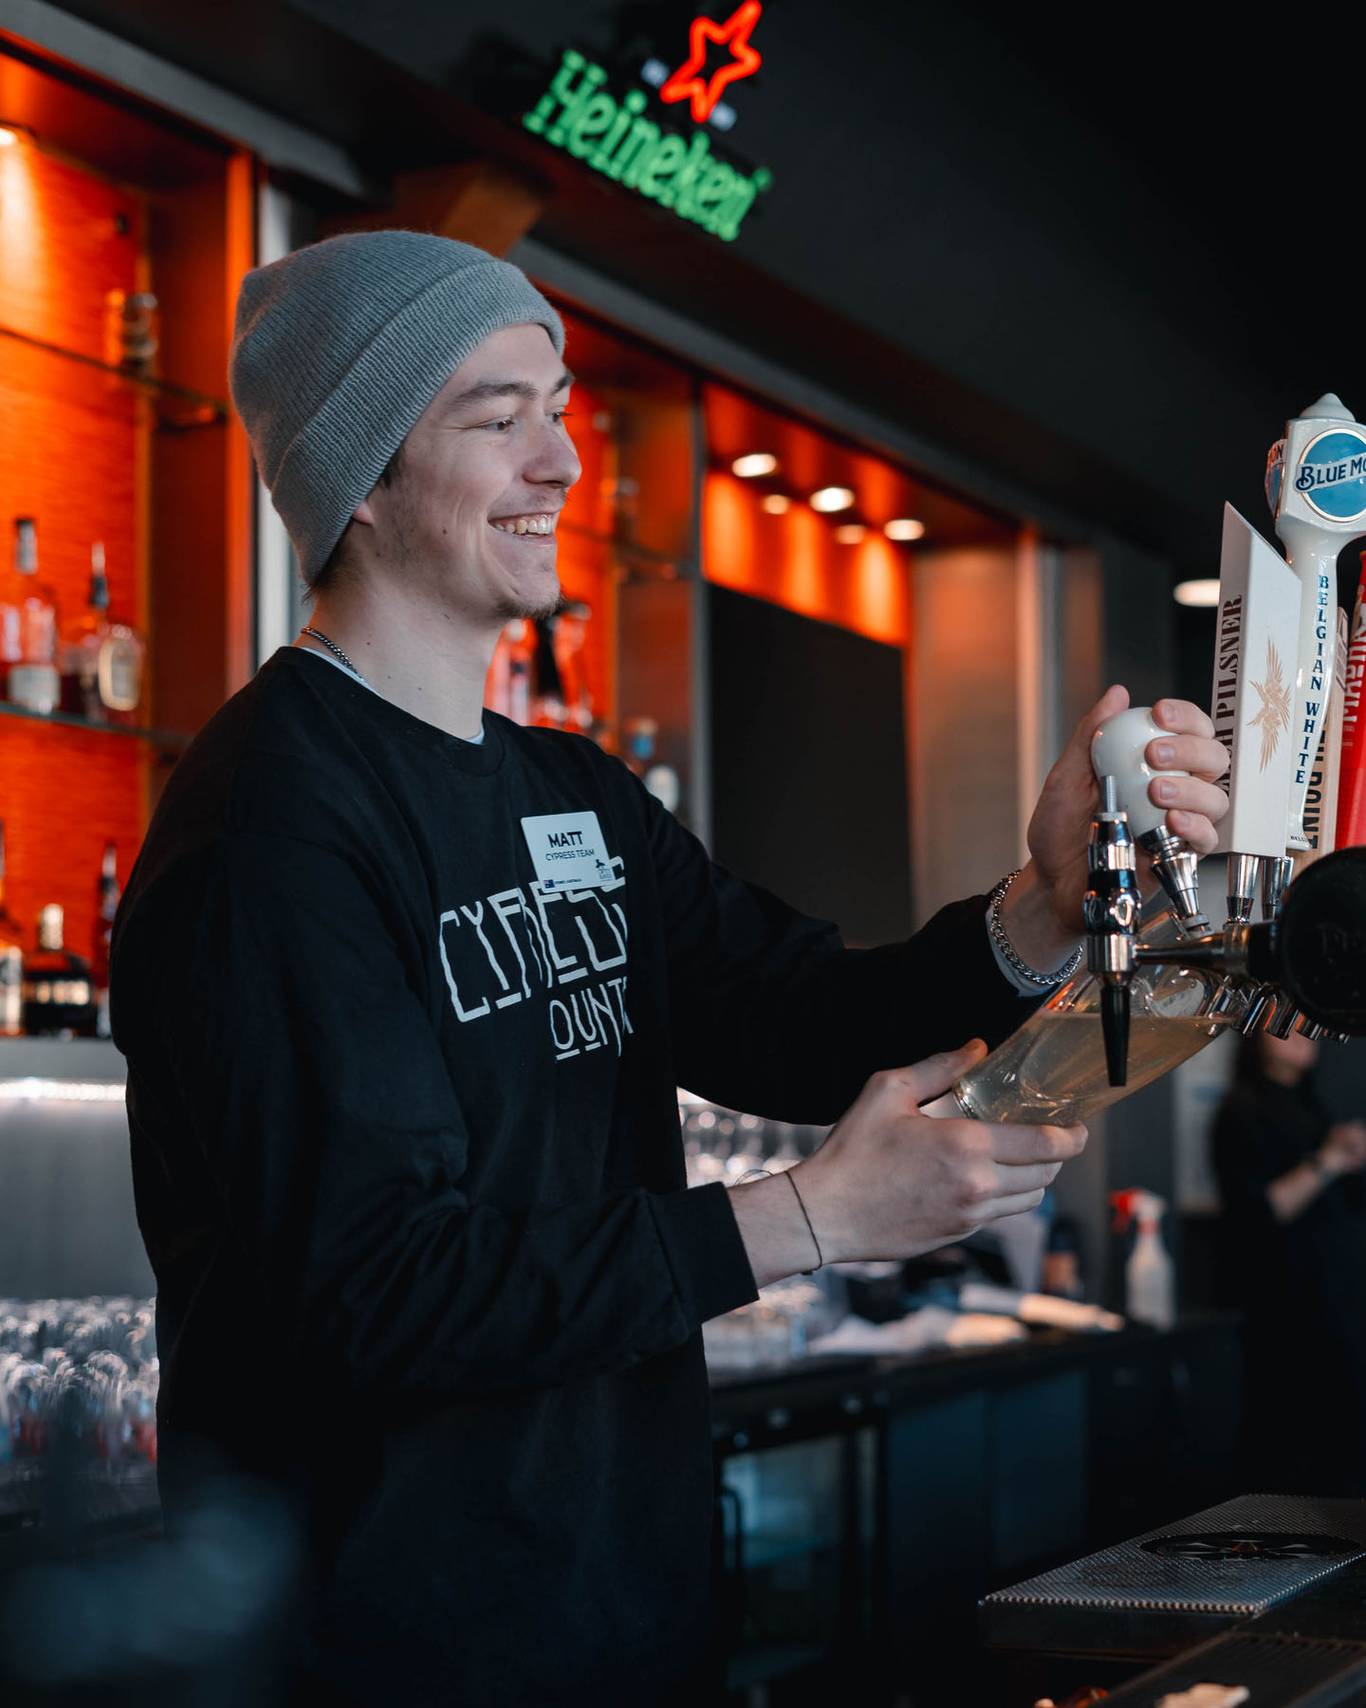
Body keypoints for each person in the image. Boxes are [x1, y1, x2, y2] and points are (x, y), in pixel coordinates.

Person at [108, 231, 1230, 1706]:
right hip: (376, 1646)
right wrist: (803, 1220)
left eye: (559, 405)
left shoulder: (570, 794)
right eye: (494, 416)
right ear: (362, 479)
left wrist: (1038, 901)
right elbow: (378, 1288)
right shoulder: (268, 826)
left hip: (616, 1605)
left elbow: (794, 1016)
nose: (561, 460)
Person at [1213, 1029, 1366, 1495]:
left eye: (1310, 1026)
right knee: (1280, 1446)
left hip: (1336, 1301)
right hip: (1283, 1305)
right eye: (1287, 1024)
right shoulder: (1240, 1111)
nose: (1302, 1036)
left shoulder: (1314, 1107)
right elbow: (1262, 1211)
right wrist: (1329, 1161)